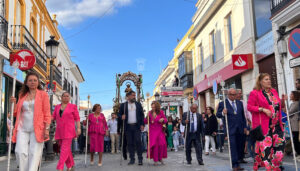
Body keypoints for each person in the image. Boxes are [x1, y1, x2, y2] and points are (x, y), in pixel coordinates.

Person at [10, 72, 51, 171]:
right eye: (30, 80)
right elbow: (15, 113)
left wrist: (46, 129)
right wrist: (14, 103)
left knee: (34, 153)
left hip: (37, 128)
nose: (32, 82)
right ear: (26, 83)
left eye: (35, 80)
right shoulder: (22, 95)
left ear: (38, 82)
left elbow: (47, 113)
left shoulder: (43, 94)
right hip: (22, 127)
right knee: (19, 151)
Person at [247, 73, 285, 171]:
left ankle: (275, 166)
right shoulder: (255, 93)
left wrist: (283, 101)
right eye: (266, 79)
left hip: (277, 126)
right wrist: (262, 109)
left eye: (269, 79)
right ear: (260, 82)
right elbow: (249, 107)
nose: (269, 81)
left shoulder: (274, 92)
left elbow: (278, 107)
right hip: (265, 127)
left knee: (280, 149)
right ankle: (271, 168)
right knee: (267, 152)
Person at [217, 88, 246, 171]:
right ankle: (234, 165)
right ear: (228, 95)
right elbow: (218, 114)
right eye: (232, 95)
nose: (234, 96)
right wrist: (223, 112)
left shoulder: (239, 103)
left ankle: (238, 163)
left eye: (235, 94)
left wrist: (245, 127)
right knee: (233, 147)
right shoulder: (223, 104)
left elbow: (243, 116)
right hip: (230, 129)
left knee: (240, 147)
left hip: (240, 129)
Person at [52, 92, 81, 171]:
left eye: (67, 96)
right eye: (64, 96)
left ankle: (60, 167)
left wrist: (78, 128)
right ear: (61, 97)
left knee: (64, 149)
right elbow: (53, 117)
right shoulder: (57, 107)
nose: (65, 97)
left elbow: (77, 118)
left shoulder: (73, 107)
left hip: (69, 130)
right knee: (66, 149)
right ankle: (70, 164)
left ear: (69, 98)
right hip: (59, 131)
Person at [118, 90, 145, 165]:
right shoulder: (123, 105)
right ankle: (132, 159)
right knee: (130, 143)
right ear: (128, 96)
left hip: (136, 126)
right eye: (133, 95)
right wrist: (121, 117)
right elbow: (119, 114)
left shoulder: (138, 104)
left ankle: (140, 159)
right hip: (128, 127)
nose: (134, 96)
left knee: (138, 142)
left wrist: (142, 124)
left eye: (135, 95)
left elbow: (142, 115)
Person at [236, 89, 249, 163]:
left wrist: (250, 121)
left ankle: (241, 157)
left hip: (244, 125)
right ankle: (237, 157)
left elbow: (247, 113)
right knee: (237, 142)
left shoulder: (243, 102)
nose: (240, 95)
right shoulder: (233, 103)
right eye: (239, 93)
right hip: (236, 126)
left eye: (241, 93)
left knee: (243, 142)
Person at [289, 91, 300, 155]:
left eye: (291, 94)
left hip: (295, 124)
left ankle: (298, 152)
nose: (290, 95)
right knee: (295, 138)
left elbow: (290, 112)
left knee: (296, 139)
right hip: (292, 124)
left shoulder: (296, 103)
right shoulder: (292, 104)